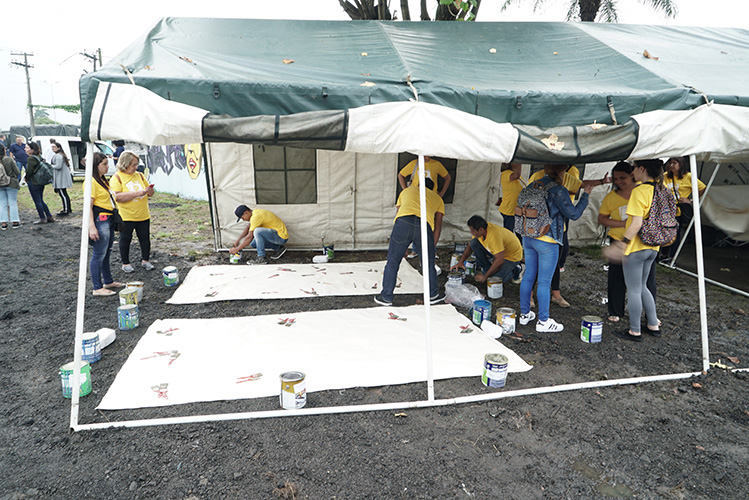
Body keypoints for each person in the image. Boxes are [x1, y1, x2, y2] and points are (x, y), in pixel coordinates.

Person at [519, 165, 592, 333]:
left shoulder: (531, 186)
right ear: (562, 172)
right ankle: (543, 321)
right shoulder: (559, 190)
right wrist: (586, 196)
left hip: (528, 237)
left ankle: (525, 314)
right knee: (544, 282)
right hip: (547, 239)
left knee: (528, 276)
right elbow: (573, 214)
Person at [528, 165, 609, 307]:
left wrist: (602, 181)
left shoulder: (566, 177)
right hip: (542, 230)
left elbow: (581, 184)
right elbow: (574, 212)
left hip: (556, 229)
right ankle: (534, 302)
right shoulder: (544, 180)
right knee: (538, 269)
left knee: (554, 263)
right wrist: (583, 195)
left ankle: (554, 295)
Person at [608, 159, 664, 342]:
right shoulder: (662, 189)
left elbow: (636, 223)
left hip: (637, 247)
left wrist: (623, 243)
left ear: (642, 169)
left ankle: (634, 330)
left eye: (634, 168)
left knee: (633, 289)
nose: (632, 172)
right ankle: (653, 324)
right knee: (643, 286)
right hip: (653, 245)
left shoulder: (639, 191)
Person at [598, 162, 656, 323]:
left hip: (641, 242)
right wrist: (622, 224)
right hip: (620, 240)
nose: (619, 181)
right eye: (615, 179)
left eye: (622, 177)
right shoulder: (612, 197)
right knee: (618, 278)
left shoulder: (642, 191)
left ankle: (648, 317)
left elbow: (640, 221)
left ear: (633, 174)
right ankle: (616, 311)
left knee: (645, 282)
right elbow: (602, 218)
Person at [374, 178, 445, 307]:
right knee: (428, 264)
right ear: (433, 188)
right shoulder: (437, 198)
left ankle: (386, 297)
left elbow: (398, 213)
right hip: (423, 226)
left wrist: (403, 246)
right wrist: (431, 247)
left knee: (393, 262)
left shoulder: (406, 191)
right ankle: (433, 295)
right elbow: (438, 226)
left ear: (418, 184)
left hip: (402, 224)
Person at [87, 152, 125, 296]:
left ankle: (107, 281)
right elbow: (88, 206)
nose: (107, 167)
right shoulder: (91, 182)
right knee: (99, 253)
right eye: (104, 164)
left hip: (108, 218)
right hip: (101, 219)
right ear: (95, 166)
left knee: (106, 252)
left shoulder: (102, 180)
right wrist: (91, 226)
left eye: (107, 163)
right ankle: (97, 287)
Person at [110, 151, 155, 272]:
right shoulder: (117, 178)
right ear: (125, 164)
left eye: (137, 164)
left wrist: (150, 191)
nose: (136, 167)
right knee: (125, 239)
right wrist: (137, 193)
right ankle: (125, 263)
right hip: (126, 215)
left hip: (143, 214)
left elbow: (150, 192)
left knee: (145, 238)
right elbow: (117, 197)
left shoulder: (140, 175)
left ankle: (145, 260)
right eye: (133, 165)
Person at [451, 215, 524, 286]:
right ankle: (487, 268)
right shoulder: (483, 231)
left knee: (494, 280)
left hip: (511, 257)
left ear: (481, 229)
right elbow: (470, 246)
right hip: (499, 252)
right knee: (474, 243)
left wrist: (485, 276)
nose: (471, 233)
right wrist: (461, 262)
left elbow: (499, 260)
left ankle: (516, 269)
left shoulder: (494, 236)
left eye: (472, 231)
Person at [660, 156, 706, 262]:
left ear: (681, 164)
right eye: (670, 163)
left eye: (674, 163)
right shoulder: (666, 175)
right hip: (666, 209)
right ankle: (663, 254)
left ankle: (672, 256)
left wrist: (690, 200)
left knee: (676, 233)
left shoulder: (688, 176)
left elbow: (702, 187)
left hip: (678, 210)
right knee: (665, 231)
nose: (672, 165)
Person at [24, 142, 56, 225]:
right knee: (40, 200)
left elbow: (29, 171)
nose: (25, 149)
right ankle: (49, 216)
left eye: (27, 148)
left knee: (37, 200)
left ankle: (42, 218)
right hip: (41, 181)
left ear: (32, 149)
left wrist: (26, 178)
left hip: (34, 181)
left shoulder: (31, 158)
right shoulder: (39, 156)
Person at [498, 162, 525, 238]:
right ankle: (509, 245)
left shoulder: (515, 176)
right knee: (509, 233)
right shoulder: (505, 174)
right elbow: (516, 175)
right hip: (509, 210)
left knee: (519, 232)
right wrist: (520, 162)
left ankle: (519, 244)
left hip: (516, 209)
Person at [0, 145, 22, 229]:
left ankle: (3, 223)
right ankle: (15, 222)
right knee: (12, 202)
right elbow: (17, 171)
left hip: (0, 184)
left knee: (2, 203)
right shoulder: (9, 159)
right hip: (11, 183)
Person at [50, 142, 74, 217]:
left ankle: (66, 210)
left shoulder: (59, 156)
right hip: (61, 177)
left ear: (59, 147)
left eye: (54, 147)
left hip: (61, 178)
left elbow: (58, 166)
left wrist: (50, 166)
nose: (52, 148)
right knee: (64, 193)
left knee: (63, 194)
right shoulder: (60, 155)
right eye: (52, 147)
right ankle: (67, 209)